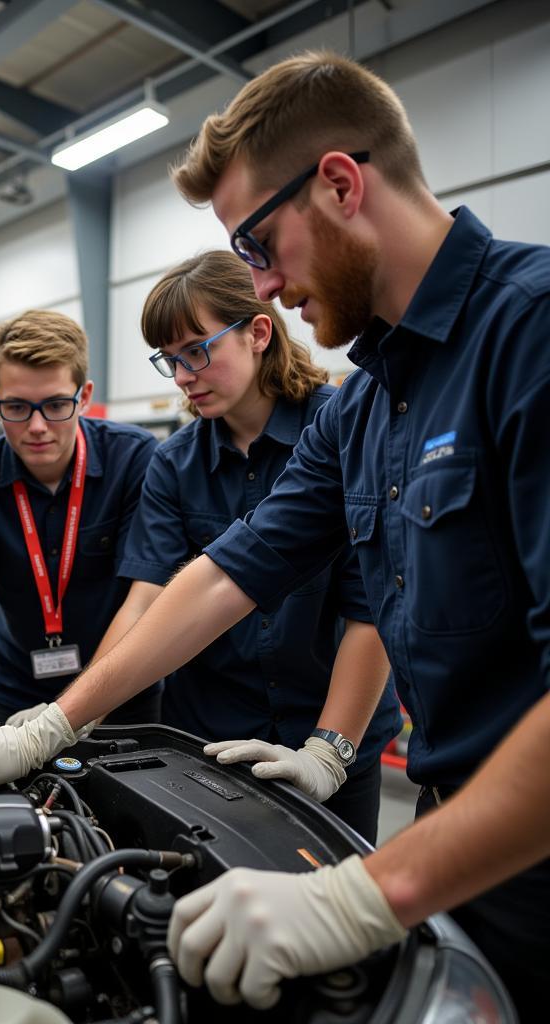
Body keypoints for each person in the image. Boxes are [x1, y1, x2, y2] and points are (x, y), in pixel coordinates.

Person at [0, 51, 550, 1020]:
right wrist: (50, 725)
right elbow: (220, 575)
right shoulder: (361, 412)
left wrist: (367, 890)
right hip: (458, 861)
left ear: (340, 184)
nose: (263, 285)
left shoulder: (527, 333)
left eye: (259, 242)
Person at [96, 250, 398, 842]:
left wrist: (327, 752)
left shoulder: (346, 426)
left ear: (259, 332)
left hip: (337, 733)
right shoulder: (174, 464)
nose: (182, 376)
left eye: (197, 351)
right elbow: (145, 602)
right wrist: (67, 719)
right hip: (207, 738)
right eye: (169, 360)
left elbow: (375, 608)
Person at [0, 310, 159, 728]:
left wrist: (72, 712)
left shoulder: (134, 460)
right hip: (12, 692)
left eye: (55, 405)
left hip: (122, 690)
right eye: (16, 406)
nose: (37, 427)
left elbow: (145, 602)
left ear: (84, 396)